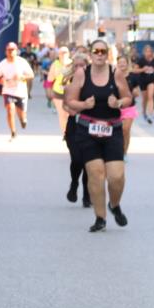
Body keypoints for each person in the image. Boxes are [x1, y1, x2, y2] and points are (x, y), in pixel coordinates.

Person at [64, 38, 132, 232]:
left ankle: (115, 205)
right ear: (91, 54)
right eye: (96, 51)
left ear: (107, 54)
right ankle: (100, 217)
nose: (100, 54)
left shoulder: (116, 73)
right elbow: (70, 101)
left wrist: (118, 103)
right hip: (88, 131)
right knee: (96, 174)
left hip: (112, 130)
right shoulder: (81, 74)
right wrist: (84, 105)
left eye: (103, 51)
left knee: (116, 176)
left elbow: (128, 98)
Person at [62, 52, 90, 207]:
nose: (80, 68)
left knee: (88, 162)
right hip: (74, 125)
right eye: (77, 65)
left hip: (89, 124)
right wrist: (71, 110)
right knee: (77, 159)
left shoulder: (94, 82)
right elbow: (65, 104)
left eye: (82, 65)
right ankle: (74, 183)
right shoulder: (69, 82)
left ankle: (87, 194)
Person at [0, 41, 34, 140]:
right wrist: (2, 82)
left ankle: (23, 119)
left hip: (20, 91)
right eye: (9, 50)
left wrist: (22, 77)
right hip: (8, 91)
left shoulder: (22, 62)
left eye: (13, 50)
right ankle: (13, 131)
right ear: (6, 52)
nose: (11, 52)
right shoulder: (2, 64)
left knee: (21, 113)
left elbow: (31, 75)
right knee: (10, 110)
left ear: (17, 51)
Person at [116, 54, 139, 157]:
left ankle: (124, 152)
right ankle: (118, 149)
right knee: (118, 131)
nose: (122, 64)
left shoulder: (133, 76)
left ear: (127, 64)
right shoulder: (114, 76)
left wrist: (135, 92)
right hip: (116, 108)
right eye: (120, 62)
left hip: (129, 107)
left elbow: (137, 91)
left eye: (123, 62)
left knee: (126, 130)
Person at [46, 46, 72, 134]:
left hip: (71, 93)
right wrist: (48, 91)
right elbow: (49, 80)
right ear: (59, 54)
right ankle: (65, 133)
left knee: (69, 114)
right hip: (57, 93)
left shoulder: (72, 64)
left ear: (68, 54)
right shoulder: (55, 64)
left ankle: (70, 131)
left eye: (65, 52)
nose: (63, 54)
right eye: (61, 53)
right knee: (62, 114)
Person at [134, 44, 154, 122]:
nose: (148, 53)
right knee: (145, 99)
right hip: (143, 80)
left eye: (150, 51)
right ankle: (144, 112)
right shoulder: (141, 60)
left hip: (152, 80)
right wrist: (143, 69)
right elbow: (135, 70)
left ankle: (151, 114)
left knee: (150, 96)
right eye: (147, 51)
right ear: (144, 52)